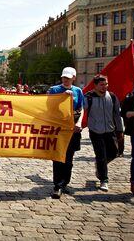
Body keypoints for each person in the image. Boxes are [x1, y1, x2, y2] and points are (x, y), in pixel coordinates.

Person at [47, 67, 84, 199]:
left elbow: (81, 108)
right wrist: (62, 99)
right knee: (58, 158)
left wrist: (79, 122)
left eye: (68, 77)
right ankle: (57, 186)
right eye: (64, 77)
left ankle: (65, 183)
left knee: (69, 159)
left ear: (74, 77)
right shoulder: (54, 90)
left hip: (72, 128)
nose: (66, 80)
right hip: (58, 128)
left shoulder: (78, 91)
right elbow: (48, 107)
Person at [83, 75, 123, 192]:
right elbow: (80, 110)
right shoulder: (88, 97)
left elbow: (116, 114)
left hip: (110, 130)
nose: (104, 87)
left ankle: (100, 166)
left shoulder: (112, 97)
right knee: (101, 155)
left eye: (106, 84)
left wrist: (119, 130)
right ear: (95, 85)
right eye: (101, 85)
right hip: (95, 131)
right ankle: (104, 180)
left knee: (114, 153)